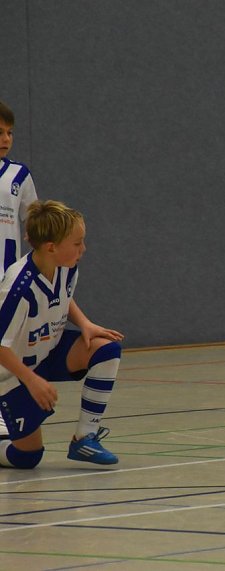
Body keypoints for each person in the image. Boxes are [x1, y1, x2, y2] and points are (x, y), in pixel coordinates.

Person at [0, 200, 124, 469]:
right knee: (27, 457)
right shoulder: (18, 287)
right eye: (77, 243)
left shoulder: (66, 266)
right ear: (51, 247)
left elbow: (62, 296)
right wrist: (32, 381)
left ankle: (84, 437)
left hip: (48, 351)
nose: (83, 249)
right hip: (13, 375)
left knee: (105, 348)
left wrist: (85, 323)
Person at [0, 100, 39, 440]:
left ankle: (4, 410)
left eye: (10, 133)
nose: (6, 139)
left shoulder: (19, 175)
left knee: (8, 345)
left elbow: (37, 222)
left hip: (6, 278)